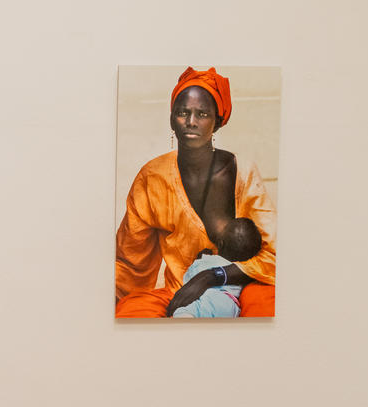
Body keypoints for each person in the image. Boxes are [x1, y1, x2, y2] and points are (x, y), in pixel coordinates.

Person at [115, 66, 277, 318]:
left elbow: (274, 256)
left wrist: (212, 276)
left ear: (218, 122)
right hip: (178, 291)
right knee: (130, 314)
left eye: (202, 113)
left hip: (237, 291)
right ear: (172, 119)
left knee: (268, 308)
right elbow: (130, 263)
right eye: (183, 112)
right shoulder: (152, 177)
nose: (191, 121)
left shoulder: (242, 172)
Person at [171, 217, 262, 318]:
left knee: (183, 313)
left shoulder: (204, 261)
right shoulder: (241, 271)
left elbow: (189, 279)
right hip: (229, 304)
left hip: (205, 299)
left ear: (220, 243)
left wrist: (200, 258)